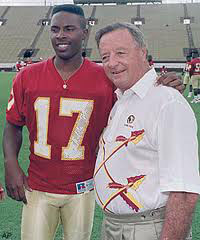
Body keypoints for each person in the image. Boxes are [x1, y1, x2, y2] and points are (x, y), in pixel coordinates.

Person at [3, 4, 184, 240]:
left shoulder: (106, 77)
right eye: (55, 29)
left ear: (84, 32)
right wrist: (10, 164)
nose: (61, 35)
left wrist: (164, 85)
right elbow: (13, 124)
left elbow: (140, 95)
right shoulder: (27, 76)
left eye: (69, 29)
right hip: (38, 186)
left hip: (83, 187)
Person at [94, 22, 200, 240]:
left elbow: (184, 192)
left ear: (143, 52)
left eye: (120, 53)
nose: (112, 63)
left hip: (147, 228)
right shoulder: (122, 99)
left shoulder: (167, 102)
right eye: (105, 57)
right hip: (114, 226)